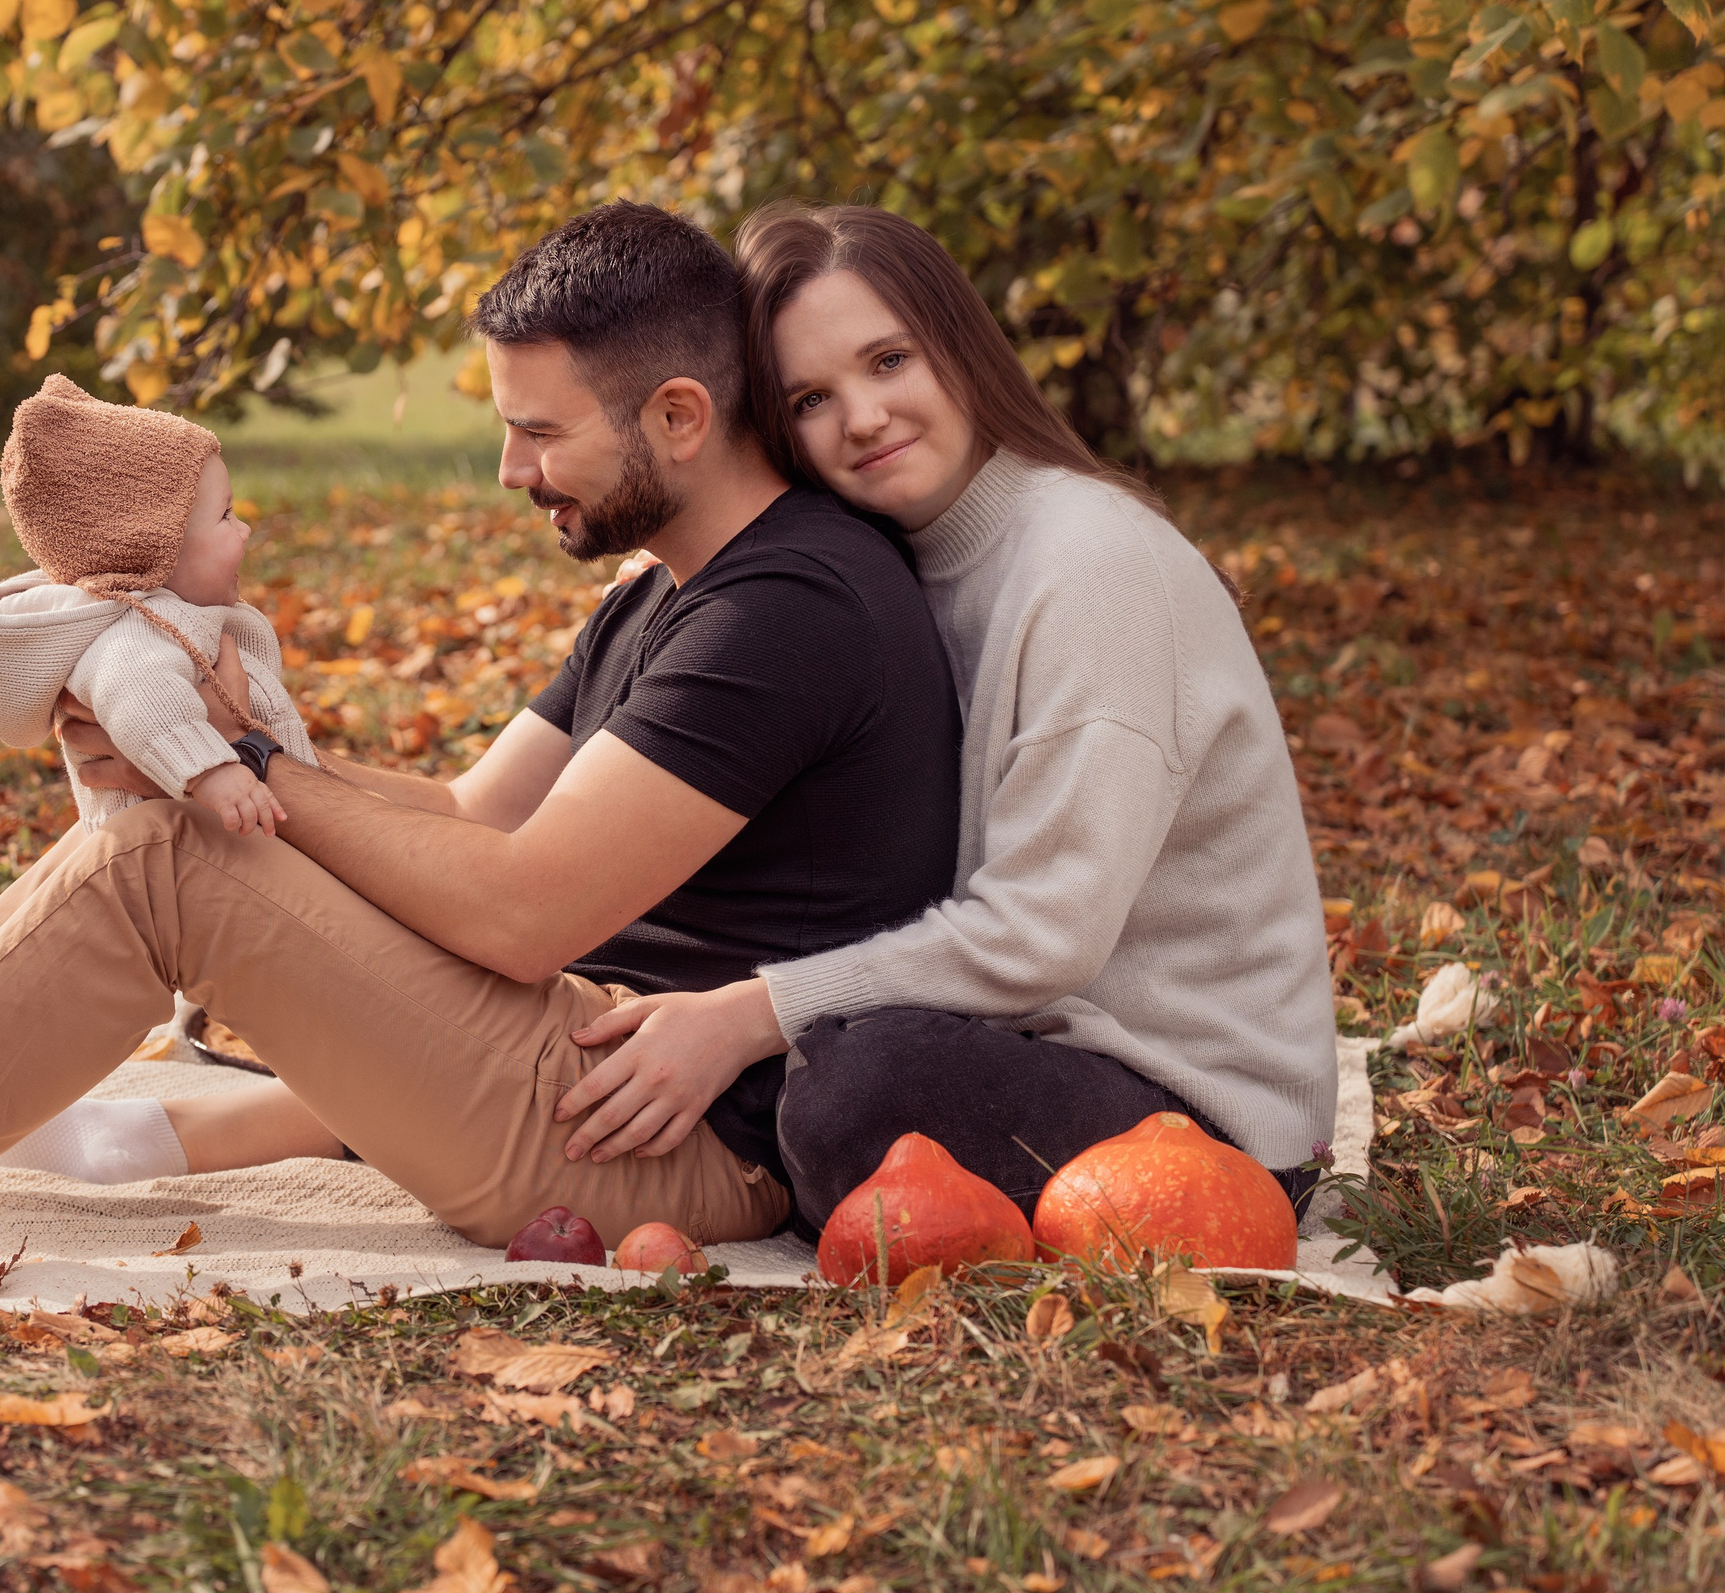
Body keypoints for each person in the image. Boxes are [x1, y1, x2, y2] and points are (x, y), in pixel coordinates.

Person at [0, 201, 965, 1247]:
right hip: (583, 1053)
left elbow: (519, 912)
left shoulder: (793, 611)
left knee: (175, 857)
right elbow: (469, 815)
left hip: (669, 1144)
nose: (509, 470)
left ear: (680, 417)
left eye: (540, 432)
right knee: (179, 828)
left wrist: (252, 778)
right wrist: (225, 749)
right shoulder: (673, 586)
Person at [553, 203, 1338, 1237]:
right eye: (811, 398)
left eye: (889, 361)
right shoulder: (883, 564)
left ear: (959, 347)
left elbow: (1042, 933)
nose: (864, 418)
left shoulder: (1091, 567)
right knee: (793, 1067)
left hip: (1195, 1115)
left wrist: (752, 1014)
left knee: (851, 1090)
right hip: (1017, 1035)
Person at [0, 371, 315, 840]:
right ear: (153, 549)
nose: (244, 529)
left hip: (223, 833)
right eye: (225, 515)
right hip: (173, 845)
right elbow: (139, 694)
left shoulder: (175, 615)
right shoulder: (132, 631)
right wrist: (211, 772)